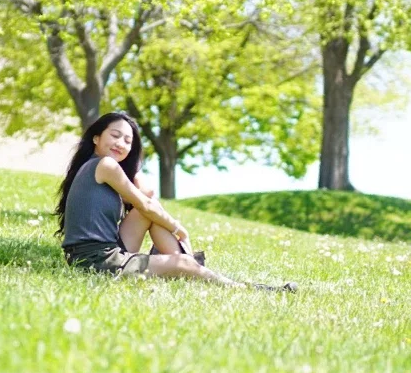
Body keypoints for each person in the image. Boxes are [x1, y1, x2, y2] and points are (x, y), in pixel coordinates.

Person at [56, 112, 294, 290]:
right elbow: (147, 204)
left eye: (128, 141)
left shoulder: (101, 167)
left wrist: (132, 170)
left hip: (106, 251)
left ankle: (191, 268)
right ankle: (240, 287)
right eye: (115, 136)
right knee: (171, 246)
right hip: (96, 261)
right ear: (96, 137)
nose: (121, 144)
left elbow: (147, 196)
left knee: (147, 214)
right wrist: (178, 228)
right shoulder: (105, 165)